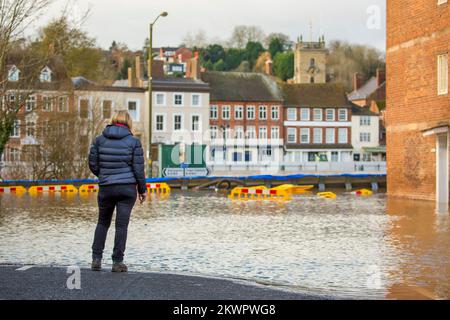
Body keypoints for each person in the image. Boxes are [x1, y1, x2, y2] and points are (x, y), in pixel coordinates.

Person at [88, 110, 147, 272]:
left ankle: (96, 259)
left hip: (106, 187)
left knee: (102, 222)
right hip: (127, 189)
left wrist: (104, 175)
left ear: (113, 120)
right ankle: (117, 262)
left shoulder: (99, 140)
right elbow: (138, 169)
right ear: (129, 123)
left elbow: (92, 163)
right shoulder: (134, 142)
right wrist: (142, 190)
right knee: (121, 226)